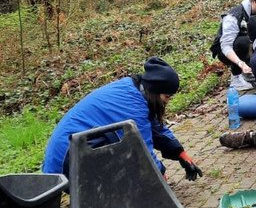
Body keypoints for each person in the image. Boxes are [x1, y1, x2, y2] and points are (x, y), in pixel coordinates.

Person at [42, 57, 202, 182]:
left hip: (72, 152)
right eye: (167, 96)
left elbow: (154, 128)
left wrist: (180, 153)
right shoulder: (132, 105)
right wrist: (159, 178)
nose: (167, 101)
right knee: (131, 170)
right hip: (66, 162)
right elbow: (142, 150)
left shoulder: (136, 91)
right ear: (156, 90)